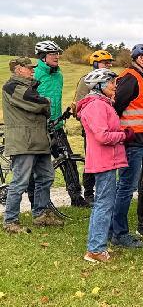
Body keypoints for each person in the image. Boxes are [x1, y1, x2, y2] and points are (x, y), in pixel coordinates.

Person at [110, 43, 143, 249]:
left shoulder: (141, 79)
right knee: (126, 188)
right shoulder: (131, 78)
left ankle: (114, 230)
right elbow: (115, 109)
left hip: (141, 142)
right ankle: (119, 233)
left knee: (131, 187)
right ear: (141, 59)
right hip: (132, 143)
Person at [77, 69, 133, 263]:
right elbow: (102, 136)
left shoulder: (101, 104)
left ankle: (96, 246)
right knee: (104, 204)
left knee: (103, 203)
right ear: (99, 85)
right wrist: (124, 136)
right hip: (104, 160)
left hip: (107, 159)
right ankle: (95, 249)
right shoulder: (97, 106)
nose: (114, 85)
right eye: (110, 82)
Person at [3, 57, 63, 232]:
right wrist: (45, 102)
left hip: (39, 140)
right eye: (29, 68)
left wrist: (44, 103)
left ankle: (40, 214)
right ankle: (10, 221)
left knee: (46, 177)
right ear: (18, 69)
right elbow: (38, 103)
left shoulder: (29, 87)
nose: (32, 70)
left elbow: (40, 104)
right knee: (20, 183)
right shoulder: (11, 87)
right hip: (24, 142)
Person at [31, 41, 89, 207]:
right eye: (52, 54)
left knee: (68, 161)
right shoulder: (35, 75)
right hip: (39, 128)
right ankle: (36, 203)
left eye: (57, 53)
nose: (57, 56)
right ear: (43, 57)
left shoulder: (59, 75)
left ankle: (76, 198)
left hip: (56, 126)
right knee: (36, 166)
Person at [72, 49, 115, 206]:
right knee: (91, 160)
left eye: (109, 63)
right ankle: (89, 193)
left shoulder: (110, 81)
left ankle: (103, 192)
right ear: (95, 64)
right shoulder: (86, 81)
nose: (108, 65)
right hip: (91, 128)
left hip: (107, 127)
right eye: (105, 63)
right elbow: (78, 105)